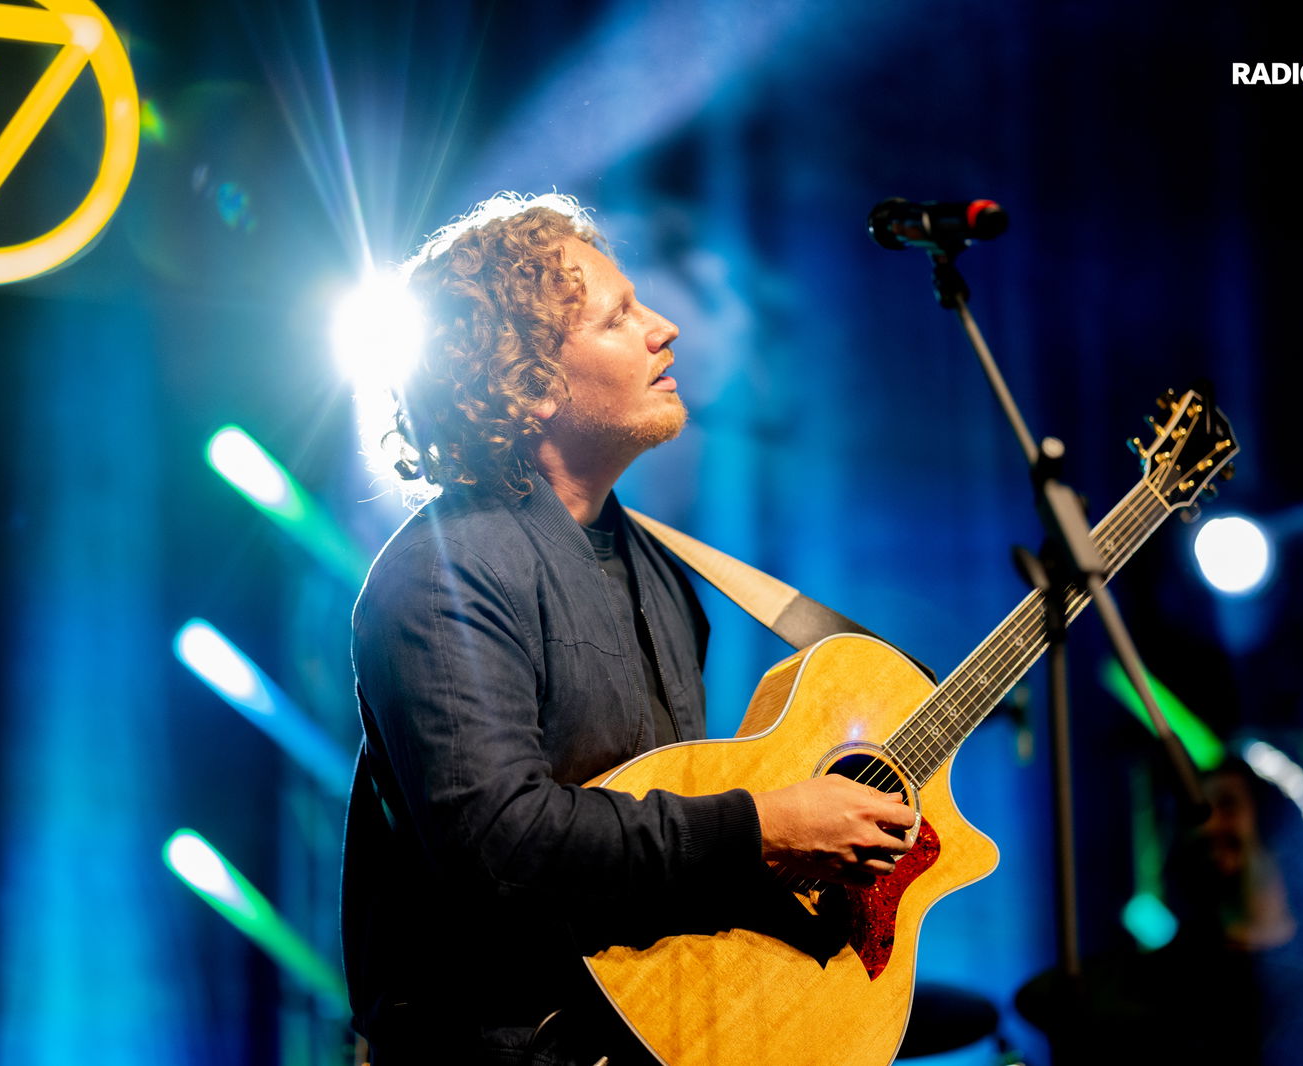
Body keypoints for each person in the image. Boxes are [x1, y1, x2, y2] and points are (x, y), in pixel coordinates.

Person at [339, 192, 922, 1065]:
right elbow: (503, 845)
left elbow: (664, 828)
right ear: (531, 386)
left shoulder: (660, 574)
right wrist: (765, 827)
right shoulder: (444, 573)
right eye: (619, 317)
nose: (664, 329)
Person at [1016, 755, 1303, 1064]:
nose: (1207, 827)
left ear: (1274, 825)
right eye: (1197, 815)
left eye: (1225, 805)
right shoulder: (1167, 973)